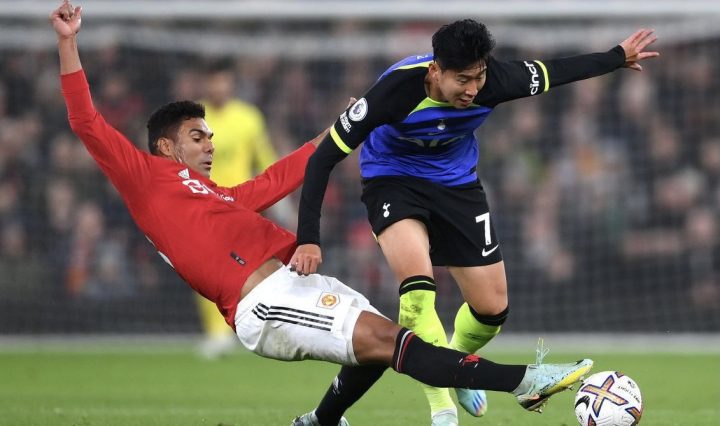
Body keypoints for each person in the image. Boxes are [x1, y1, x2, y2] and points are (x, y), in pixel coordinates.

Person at [52, 2, 595, 425]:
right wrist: (68, 42)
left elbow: (276, 179)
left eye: (211, 136)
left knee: (380, 345)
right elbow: (86, 122)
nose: (210, 145)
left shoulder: (217, 197)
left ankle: (321, 420)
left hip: (292, 285)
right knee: (394, 344)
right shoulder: (146, 179)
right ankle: (524, 380)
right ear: (166, 147)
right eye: (198, 137)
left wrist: (341, 129)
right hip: (263, 304)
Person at [291, 19, 659, 425]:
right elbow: (322, 159)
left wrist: (615, 57)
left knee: (492, 308)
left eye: (478, 77)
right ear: (436, 71)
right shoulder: (394, 91)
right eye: (462, 79)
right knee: (417, 293)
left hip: (455, 186)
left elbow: (556, 71)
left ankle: (457, 364)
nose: (471, 89)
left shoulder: (496, 81)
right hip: (392, 181)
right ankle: (443, 409)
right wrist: (308, 238)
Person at [193, 60, 282, 359]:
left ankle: (263, 324)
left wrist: (280, 201)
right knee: (205, 269)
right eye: (214, 81)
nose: (219, 86)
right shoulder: (193, 120)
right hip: (205, 204)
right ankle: (217, 334)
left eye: (223, 80)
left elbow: (266, 159)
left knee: (254, 267)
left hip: (244, 205)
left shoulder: (248, 118)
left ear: (231, 83)